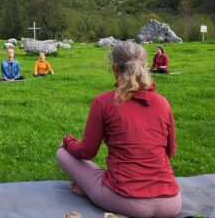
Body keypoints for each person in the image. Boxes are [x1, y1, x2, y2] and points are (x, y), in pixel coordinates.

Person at [56, 41, 181, 218]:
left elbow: (87, 151)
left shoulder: (104, 102)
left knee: (62, 153)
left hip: (126, 199)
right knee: (108, 173)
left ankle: (93, 187)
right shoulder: (163, 103)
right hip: (171, 202)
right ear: (145, 67)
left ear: (116, 68)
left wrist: (67, 141)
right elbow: (170, 151)